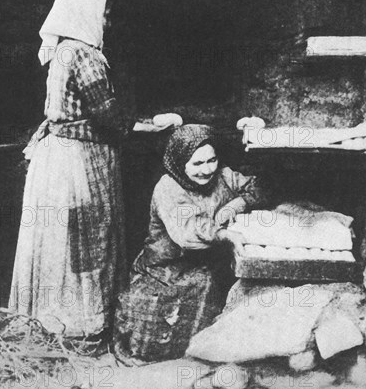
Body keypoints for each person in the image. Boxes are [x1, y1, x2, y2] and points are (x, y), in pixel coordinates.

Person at [9, 0, 180, 343]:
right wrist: (153, 125)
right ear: (84, 14)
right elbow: (109, 117)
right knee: (85, 238)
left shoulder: (62, 51)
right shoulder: (83, 54)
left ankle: (50, 317)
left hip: (57, 157)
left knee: (60, 240)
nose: (105, 21)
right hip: (78, 162)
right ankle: (80, 323)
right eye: (102, 14)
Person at [113, 124, 267, 361]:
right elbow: (189, 230)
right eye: (197, 163)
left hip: (208, 264)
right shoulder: (168, 188)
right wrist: (223, 234)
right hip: (167, 268)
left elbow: (259, 186)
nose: (207, 170)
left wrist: (237, 204)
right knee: (150, 333)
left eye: (211, 160)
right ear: (179, 161)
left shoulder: (223, 175)